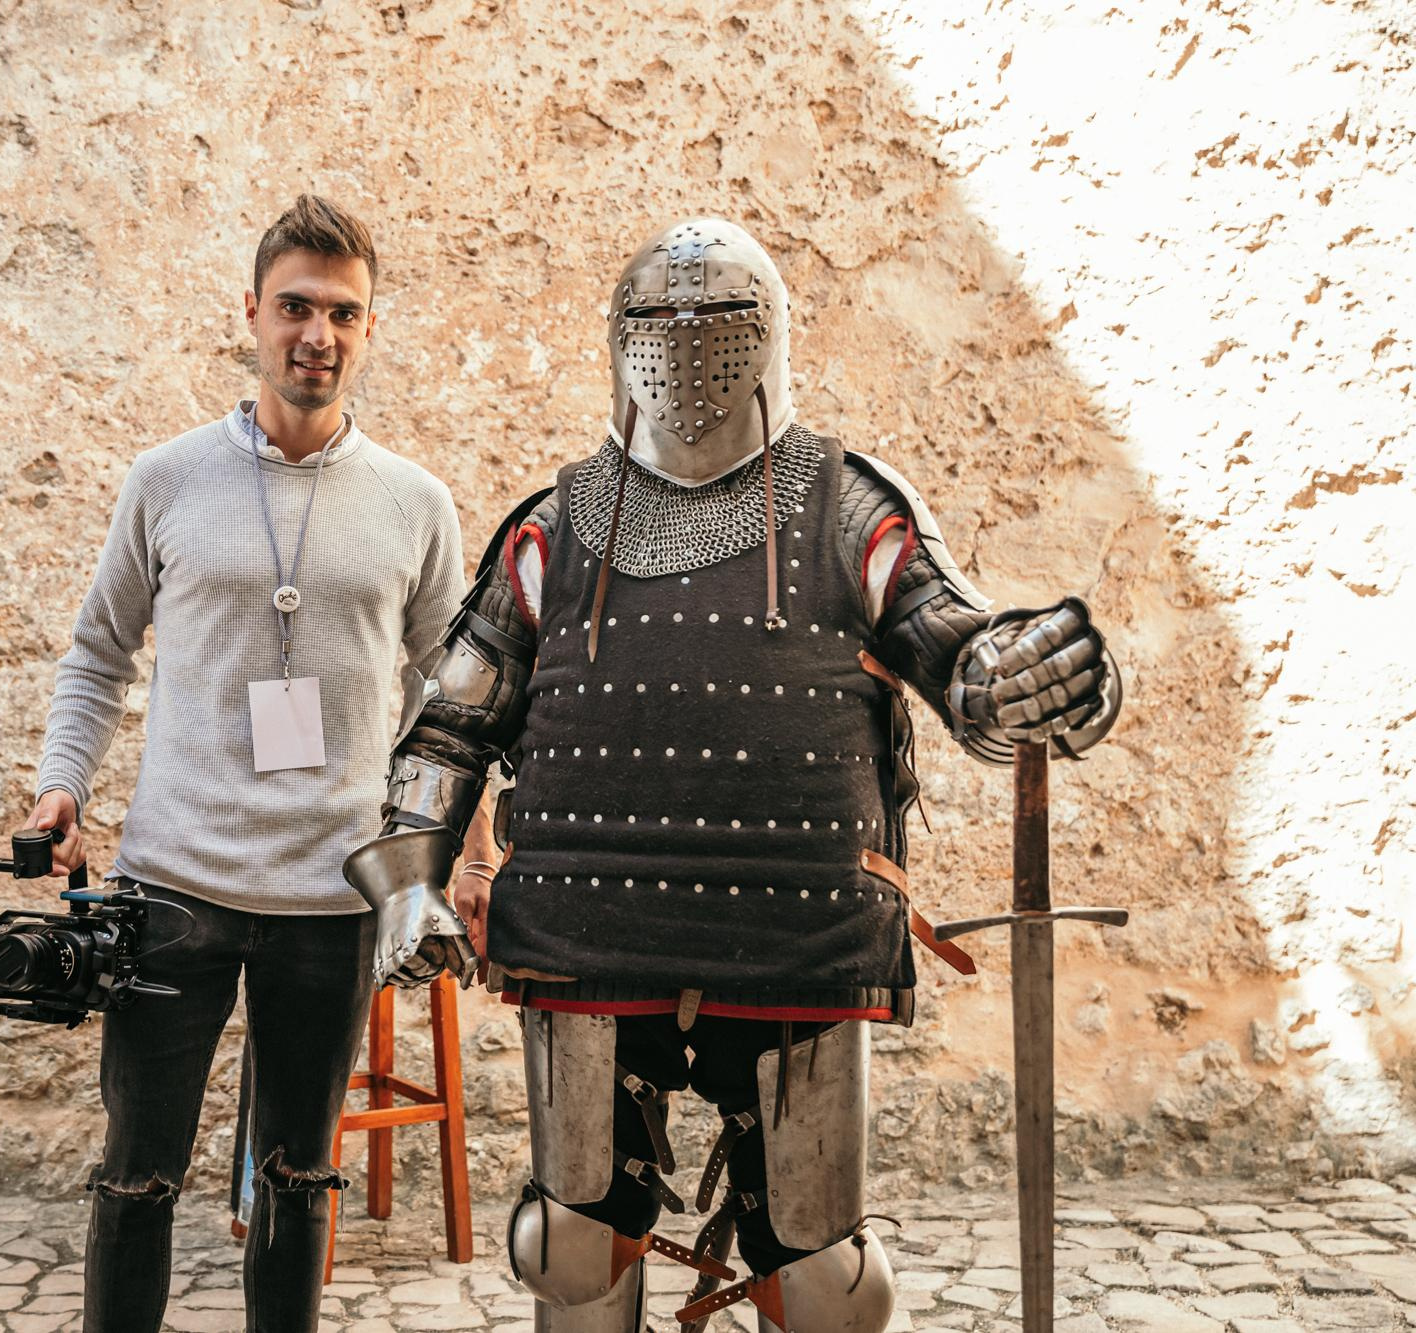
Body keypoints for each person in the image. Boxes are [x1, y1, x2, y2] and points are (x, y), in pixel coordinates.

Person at [344, 216, 1121, 1331]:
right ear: (621, 340)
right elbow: (447, 730)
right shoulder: (554, 525)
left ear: (770, 335)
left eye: (721, 322)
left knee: (819, 1273)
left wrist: (1011, 680)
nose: (688, 347)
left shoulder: (847, 503)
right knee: (567, 1245)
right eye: (661, 322)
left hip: (795, 929)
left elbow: (950, 647)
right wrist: (409, 885)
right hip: (586, 929)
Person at [28, 194, 465, 1333]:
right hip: (170, 887)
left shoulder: (417, 505)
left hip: (332, 894)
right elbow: (96, 653)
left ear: (368, 329)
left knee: (296, 1179)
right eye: (294, 307)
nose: (314, 334)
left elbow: (453, 698)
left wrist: (454, 847)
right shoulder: (165, 479)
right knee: (136, 1176)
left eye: (341, 312)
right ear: (251, 315)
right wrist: (62, 781)